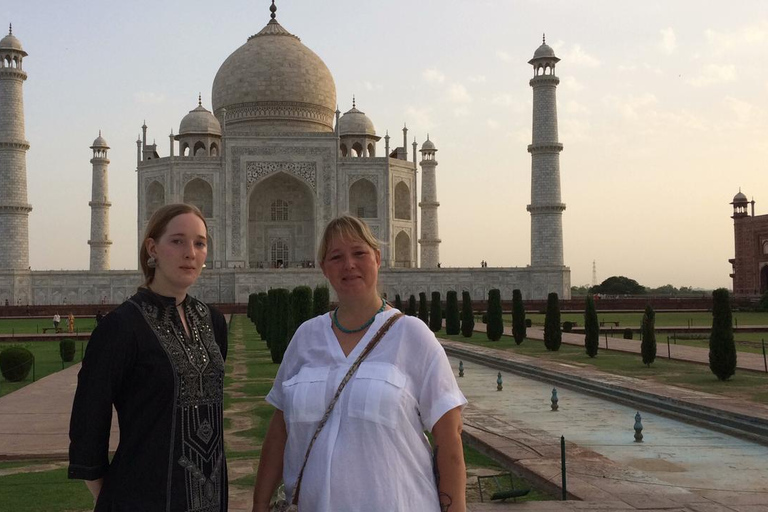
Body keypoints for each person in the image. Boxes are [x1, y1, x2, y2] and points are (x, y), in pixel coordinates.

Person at [252, 215, 467, 512]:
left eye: (359, 253)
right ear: (324, 269)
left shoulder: (412, 335)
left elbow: (449, 436)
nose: (348, 265)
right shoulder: (307, 337)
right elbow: (280, 431)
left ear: (377, 258)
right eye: (336, 257)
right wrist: (260, 504)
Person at [68, 203, 229, 511]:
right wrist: (113, 497)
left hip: (208, 498)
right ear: (152, 248)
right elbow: (88, 423)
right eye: (177, 241)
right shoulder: (122, 326)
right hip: (140, 497)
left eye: (200, 243)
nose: (190, 252)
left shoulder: (213, 322)